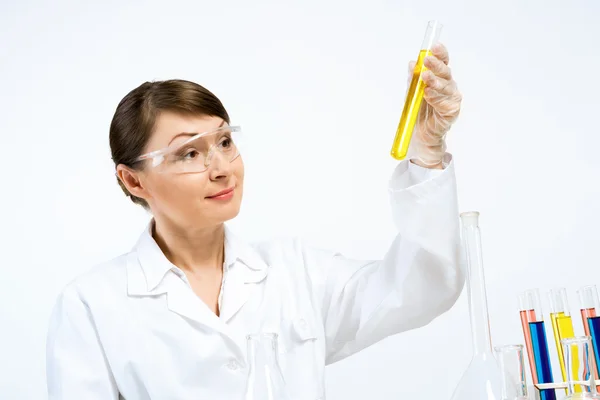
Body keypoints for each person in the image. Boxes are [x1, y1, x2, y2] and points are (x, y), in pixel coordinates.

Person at [46, 43, 464, 399]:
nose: (222, 167)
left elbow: (420, 287)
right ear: (133, 179)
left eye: (225, 142)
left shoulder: (294, 273)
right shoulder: (92, 306)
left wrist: (426, 153)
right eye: (189, 153)